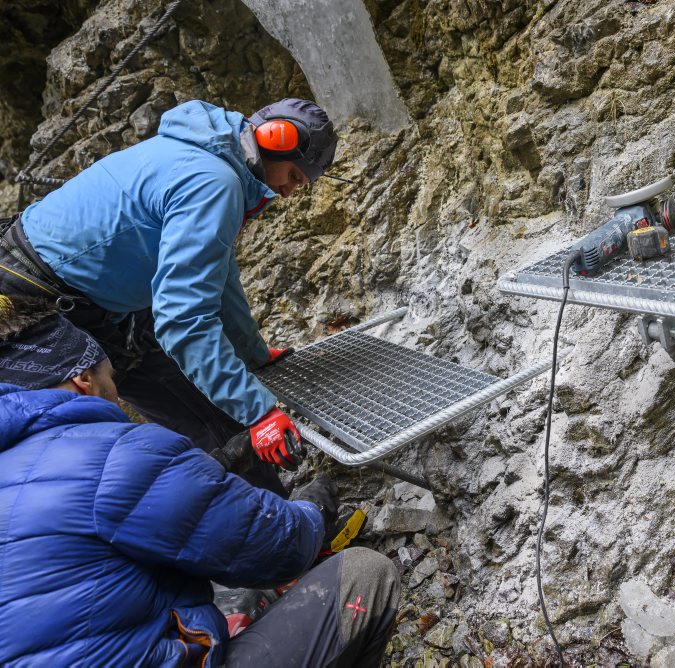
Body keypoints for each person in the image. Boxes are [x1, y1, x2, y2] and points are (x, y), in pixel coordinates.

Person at [0, 297, 400, 667]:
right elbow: (281, 548)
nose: (116, 392)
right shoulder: (116, 451)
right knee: (366, 575)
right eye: (109, 374)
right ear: (83, 377)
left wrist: (218, 465)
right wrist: (313, 510)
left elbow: (103, 514)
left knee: (235, 592)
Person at [0, 97, 339, 494]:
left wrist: (254, 355)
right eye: (296, 176)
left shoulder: (201, 154)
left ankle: (271, 524)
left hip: (85, 299)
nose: (289, 192)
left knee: (201, 411)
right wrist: (259, 412)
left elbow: (218, 276)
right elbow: (182, 319)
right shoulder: (215, 182)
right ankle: (269, 536)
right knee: (85, 458)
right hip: (33, 311)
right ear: (277, 139)